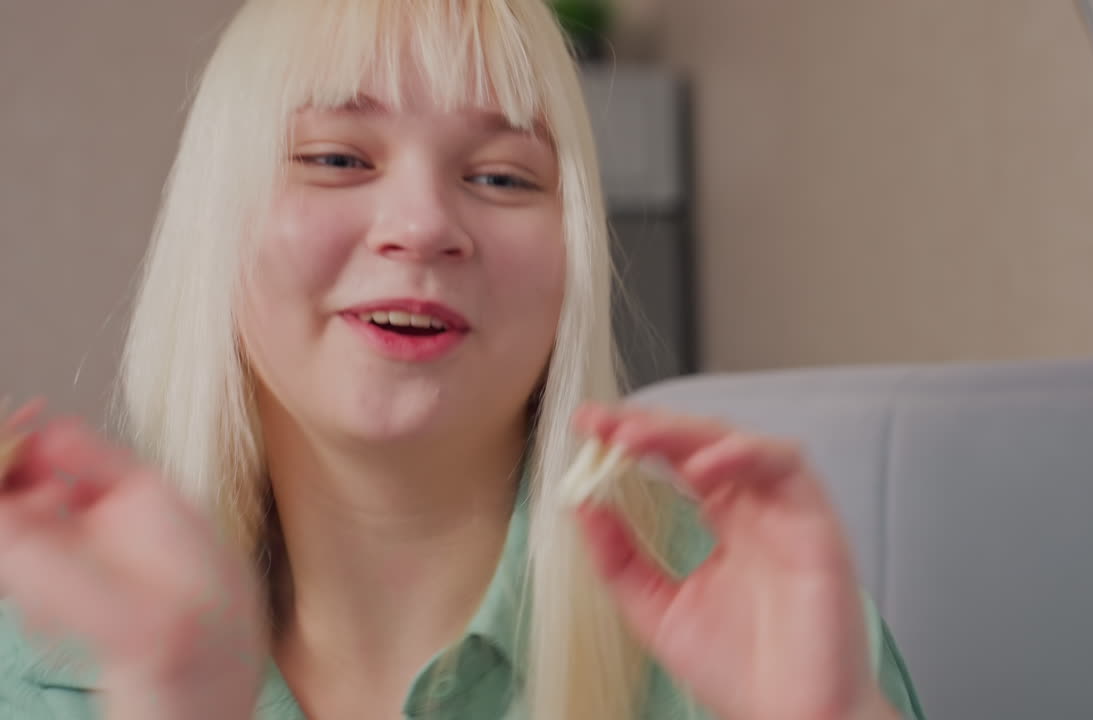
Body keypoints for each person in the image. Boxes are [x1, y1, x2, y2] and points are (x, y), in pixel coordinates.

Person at [0, 1, 927, 718]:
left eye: (499, 177)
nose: (424, 227)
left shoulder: (767, 636)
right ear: (217, 225)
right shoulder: (30, 654)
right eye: (335, 158)